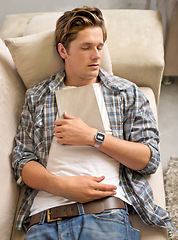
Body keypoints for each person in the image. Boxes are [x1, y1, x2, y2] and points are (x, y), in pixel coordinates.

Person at [12, 6, 175, 240]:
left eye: (99, 46)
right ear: (63, 51)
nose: (96, 55)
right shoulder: (38, 96)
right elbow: (22, 161)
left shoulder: (126, 93)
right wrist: (62, 187)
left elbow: (149, 159)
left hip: (104, 218)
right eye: (86, 47)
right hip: (45, 221)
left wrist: (93, 137)